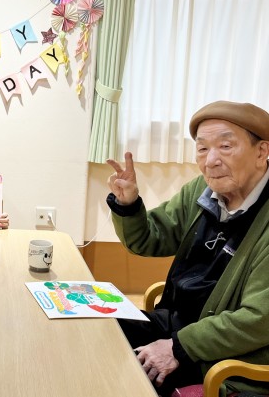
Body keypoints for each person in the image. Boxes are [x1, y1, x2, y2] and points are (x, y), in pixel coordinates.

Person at [106, 101, 269, 396]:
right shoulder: (201, 190)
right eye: (203, 148)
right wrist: (127, 204)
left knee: (119, 377)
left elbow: (259, 319)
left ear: (261, 152)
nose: (211, 161)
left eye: (226, 146)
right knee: (100, 330)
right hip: (175, 322)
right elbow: (150, 238)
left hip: (222, 353)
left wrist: (178, 347)